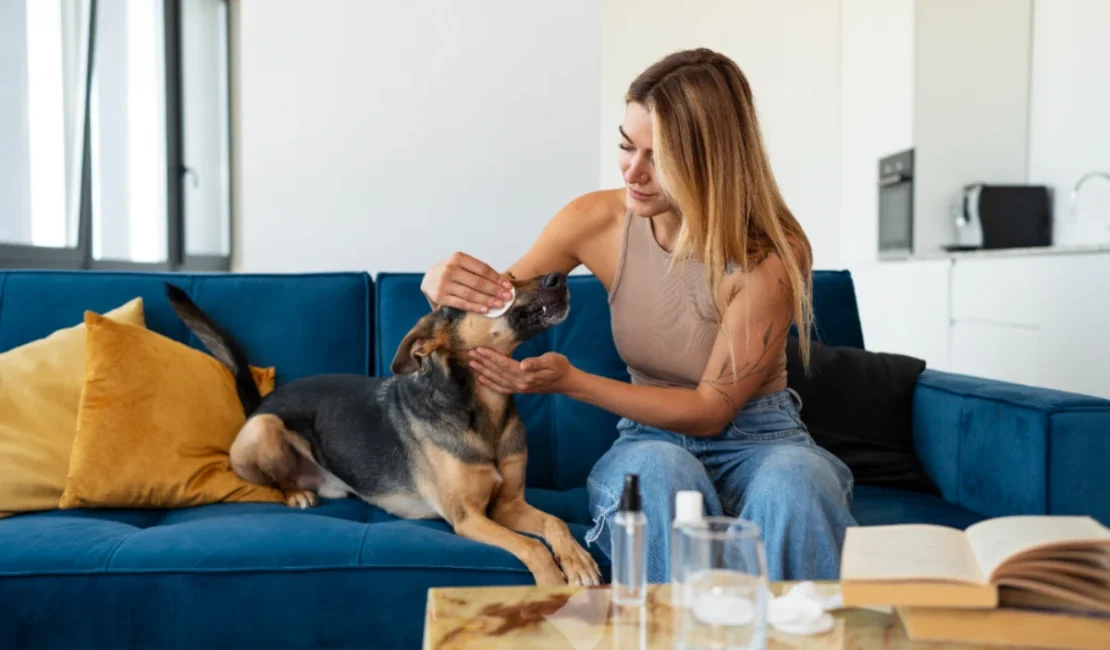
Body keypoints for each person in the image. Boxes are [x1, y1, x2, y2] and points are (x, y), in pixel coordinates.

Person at [419, 47, 856, 582]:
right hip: (651, 441)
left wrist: (574, 383)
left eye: (660, 158)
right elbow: (495, 306)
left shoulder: (770, 254)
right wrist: (441, 286)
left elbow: (710, 410)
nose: (633, 171)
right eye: (627, 146)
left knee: (798, 482)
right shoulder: (595, 219)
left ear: (713, 160)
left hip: (763, 441)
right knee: (660, 472)